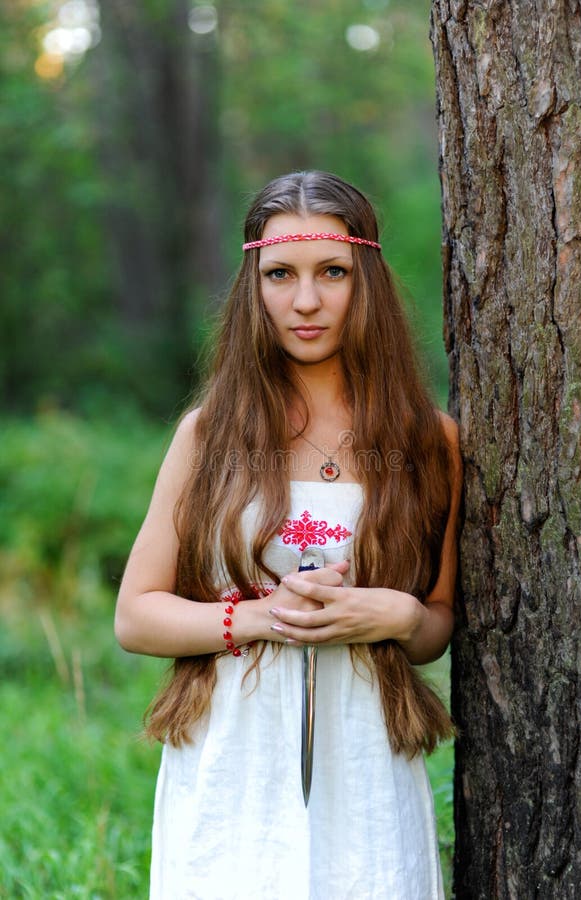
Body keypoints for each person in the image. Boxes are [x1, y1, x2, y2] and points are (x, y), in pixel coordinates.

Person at [115, 170, 462, 900]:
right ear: (253, 287)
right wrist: (264, 616)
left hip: (367, 750)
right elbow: (136, 615)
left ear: (363, 280)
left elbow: (433, 624)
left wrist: (393, 614)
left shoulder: (426, 440)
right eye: (280, 274)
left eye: (331, 272)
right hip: (231, 756)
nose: (305, 301)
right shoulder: (209, 434)